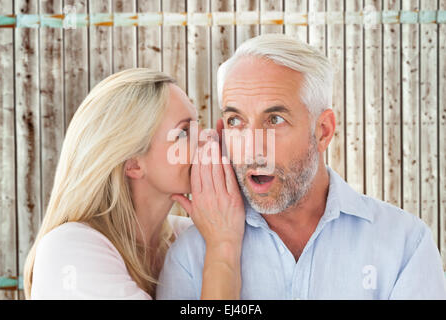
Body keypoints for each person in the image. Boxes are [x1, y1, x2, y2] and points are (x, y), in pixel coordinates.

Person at [157, 34, 446, 299]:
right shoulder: (192, 258)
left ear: (322, 131)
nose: (252, 149)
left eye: (275, 120)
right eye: (236, 121)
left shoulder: (404, 244)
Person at [23, 68, 245, 299]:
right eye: (183, 132)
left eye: (197, 124)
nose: (209, 138)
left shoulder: (191, 235)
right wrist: (223, 246)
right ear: (133, 165)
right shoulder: (68, 249)